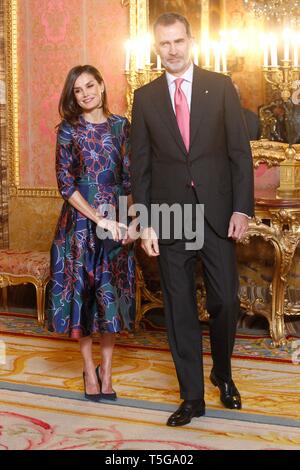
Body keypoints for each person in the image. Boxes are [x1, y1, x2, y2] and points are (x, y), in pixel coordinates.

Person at [131, 13, 254, 427]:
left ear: (191, 40)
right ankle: (192, 397)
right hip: (170, 217)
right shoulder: (144, 97)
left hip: (218, 213)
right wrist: (145, 221)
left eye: (179, 41)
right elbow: (141, 166)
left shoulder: (219, 86)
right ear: (156, 47)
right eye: (164, 44)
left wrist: (242, 208)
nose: (173, 50)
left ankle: (223, 372)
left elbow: (239, 152)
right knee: (179, 308)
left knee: (225, 300)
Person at [48, 65, 135, 402]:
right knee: (83, 300)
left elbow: (128, 179)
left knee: (110, 299)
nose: (85, 94)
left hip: (115, 222)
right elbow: (65, 184)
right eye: (77, 90)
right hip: (81, 225)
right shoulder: (69, 130)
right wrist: (99, 218)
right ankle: (88, 368)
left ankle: (107, 371)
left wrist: (129, 221)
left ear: (101, 84)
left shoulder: (121, 126)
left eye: (89, 86)